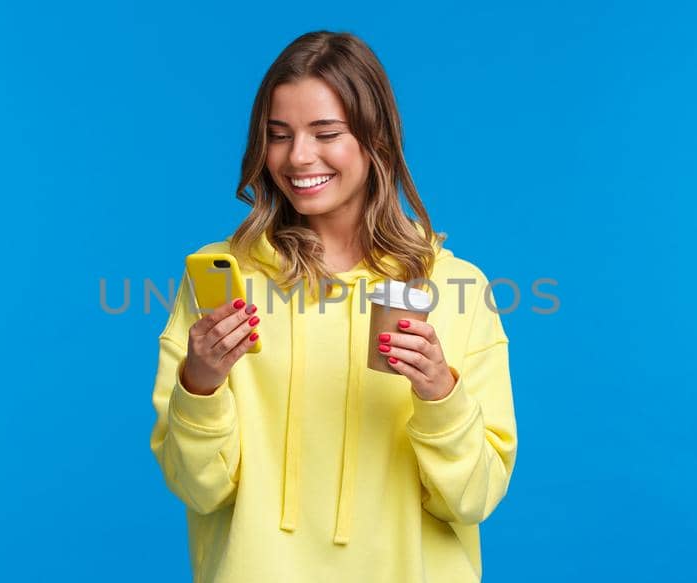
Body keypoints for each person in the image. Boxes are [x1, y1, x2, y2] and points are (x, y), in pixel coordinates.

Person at [148, 30, 518, 583]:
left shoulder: (455, 287)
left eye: (326, 133)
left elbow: (473, 500)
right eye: (278, 135)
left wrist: (440, 393)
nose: (298, 157)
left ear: (377, 141)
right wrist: (199, 384)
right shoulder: (220, 279)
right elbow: (199, 489)